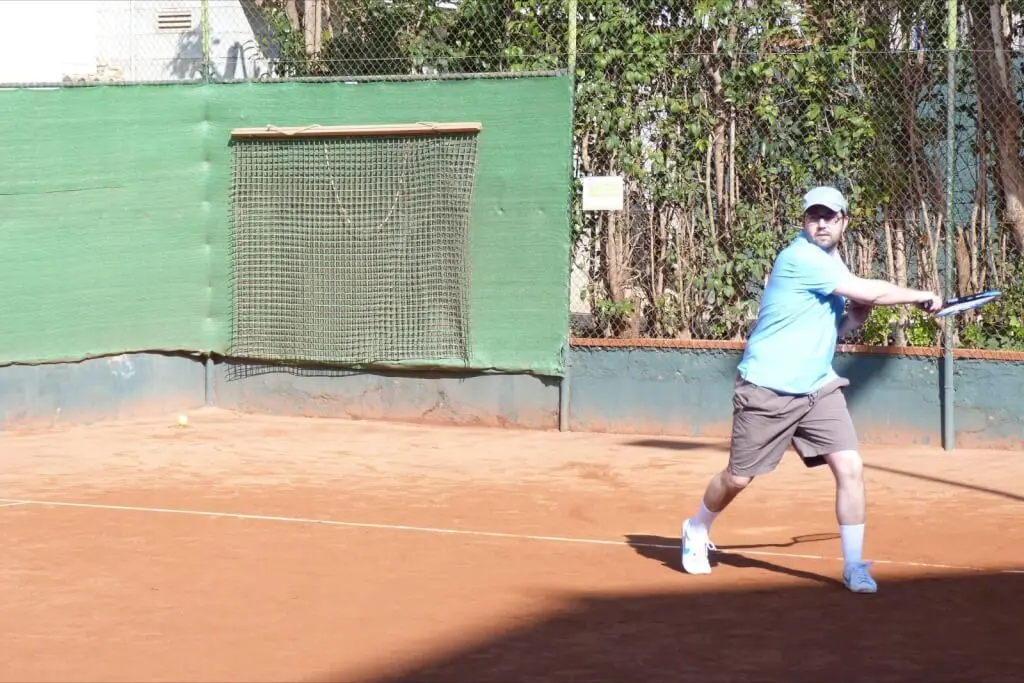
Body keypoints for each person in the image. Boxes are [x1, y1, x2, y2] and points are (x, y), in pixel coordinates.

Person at [680, 185, 944, 593]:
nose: (821, 223)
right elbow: (872, 291)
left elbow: (826, 332)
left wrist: (853, 321)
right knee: (737, 479)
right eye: (813, 217)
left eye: (829, 216)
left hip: (818, 387)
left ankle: (854, 565)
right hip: (767, 388)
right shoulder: (799, 258)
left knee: (850, 467)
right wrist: (920, 295)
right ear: (804, 222)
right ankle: (697, 527)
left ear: (843, 222)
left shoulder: (833, 265)